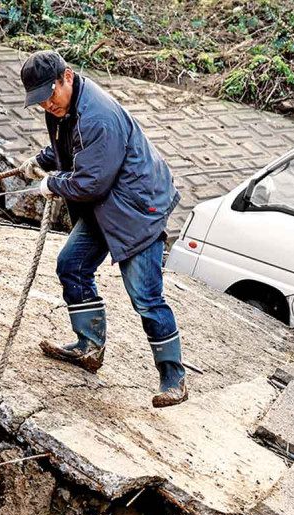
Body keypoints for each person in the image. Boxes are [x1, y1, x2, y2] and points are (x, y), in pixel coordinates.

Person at [18, 50, 188, 408]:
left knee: (145, 295)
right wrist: (42, 161)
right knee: (72, 266)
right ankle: (89, 345)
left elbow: (91, 180)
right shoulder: (65, 107)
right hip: (108, 203)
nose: (47, 104)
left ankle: (174, 377)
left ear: (67, 76)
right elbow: (72, 147)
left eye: (50, 95)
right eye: (40, 101)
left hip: (138, 208)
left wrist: (54, 184)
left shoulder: (99, 117)